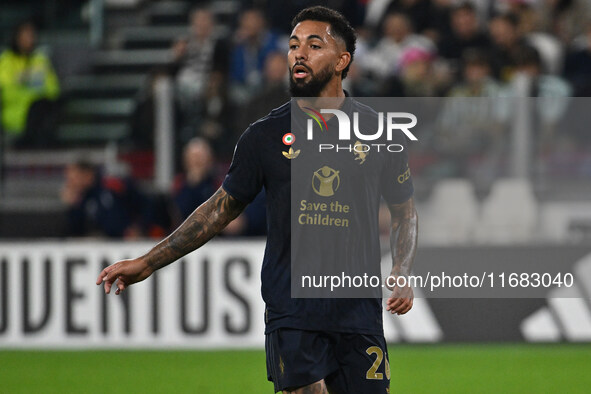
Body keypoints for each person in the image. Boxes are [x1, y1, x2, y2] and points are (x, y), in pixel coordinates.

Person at [97, 6, 418, 394]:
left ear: (342, 60)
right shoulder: (264, 136)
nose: (299, 53)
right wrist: (148, 261)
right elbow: (218, 210)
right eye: (294, 45)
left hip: (358, 311)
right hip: (293, 309)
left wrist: (401, 267)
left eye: (314, 46)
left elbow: (404, 210)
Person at [0, 20, 60, 148]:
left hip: (40, 112)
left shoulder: (40, 59)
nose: (30, 40)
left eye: (32, 36)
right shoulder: (6, 60)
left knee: (44, 107)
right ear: (16, 38)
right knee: (37, 108)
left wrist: (24, 83)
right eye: (26, 36)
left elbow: (53, 89)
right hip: (16, 115)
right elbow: (6, 91)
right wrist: (32, 91)